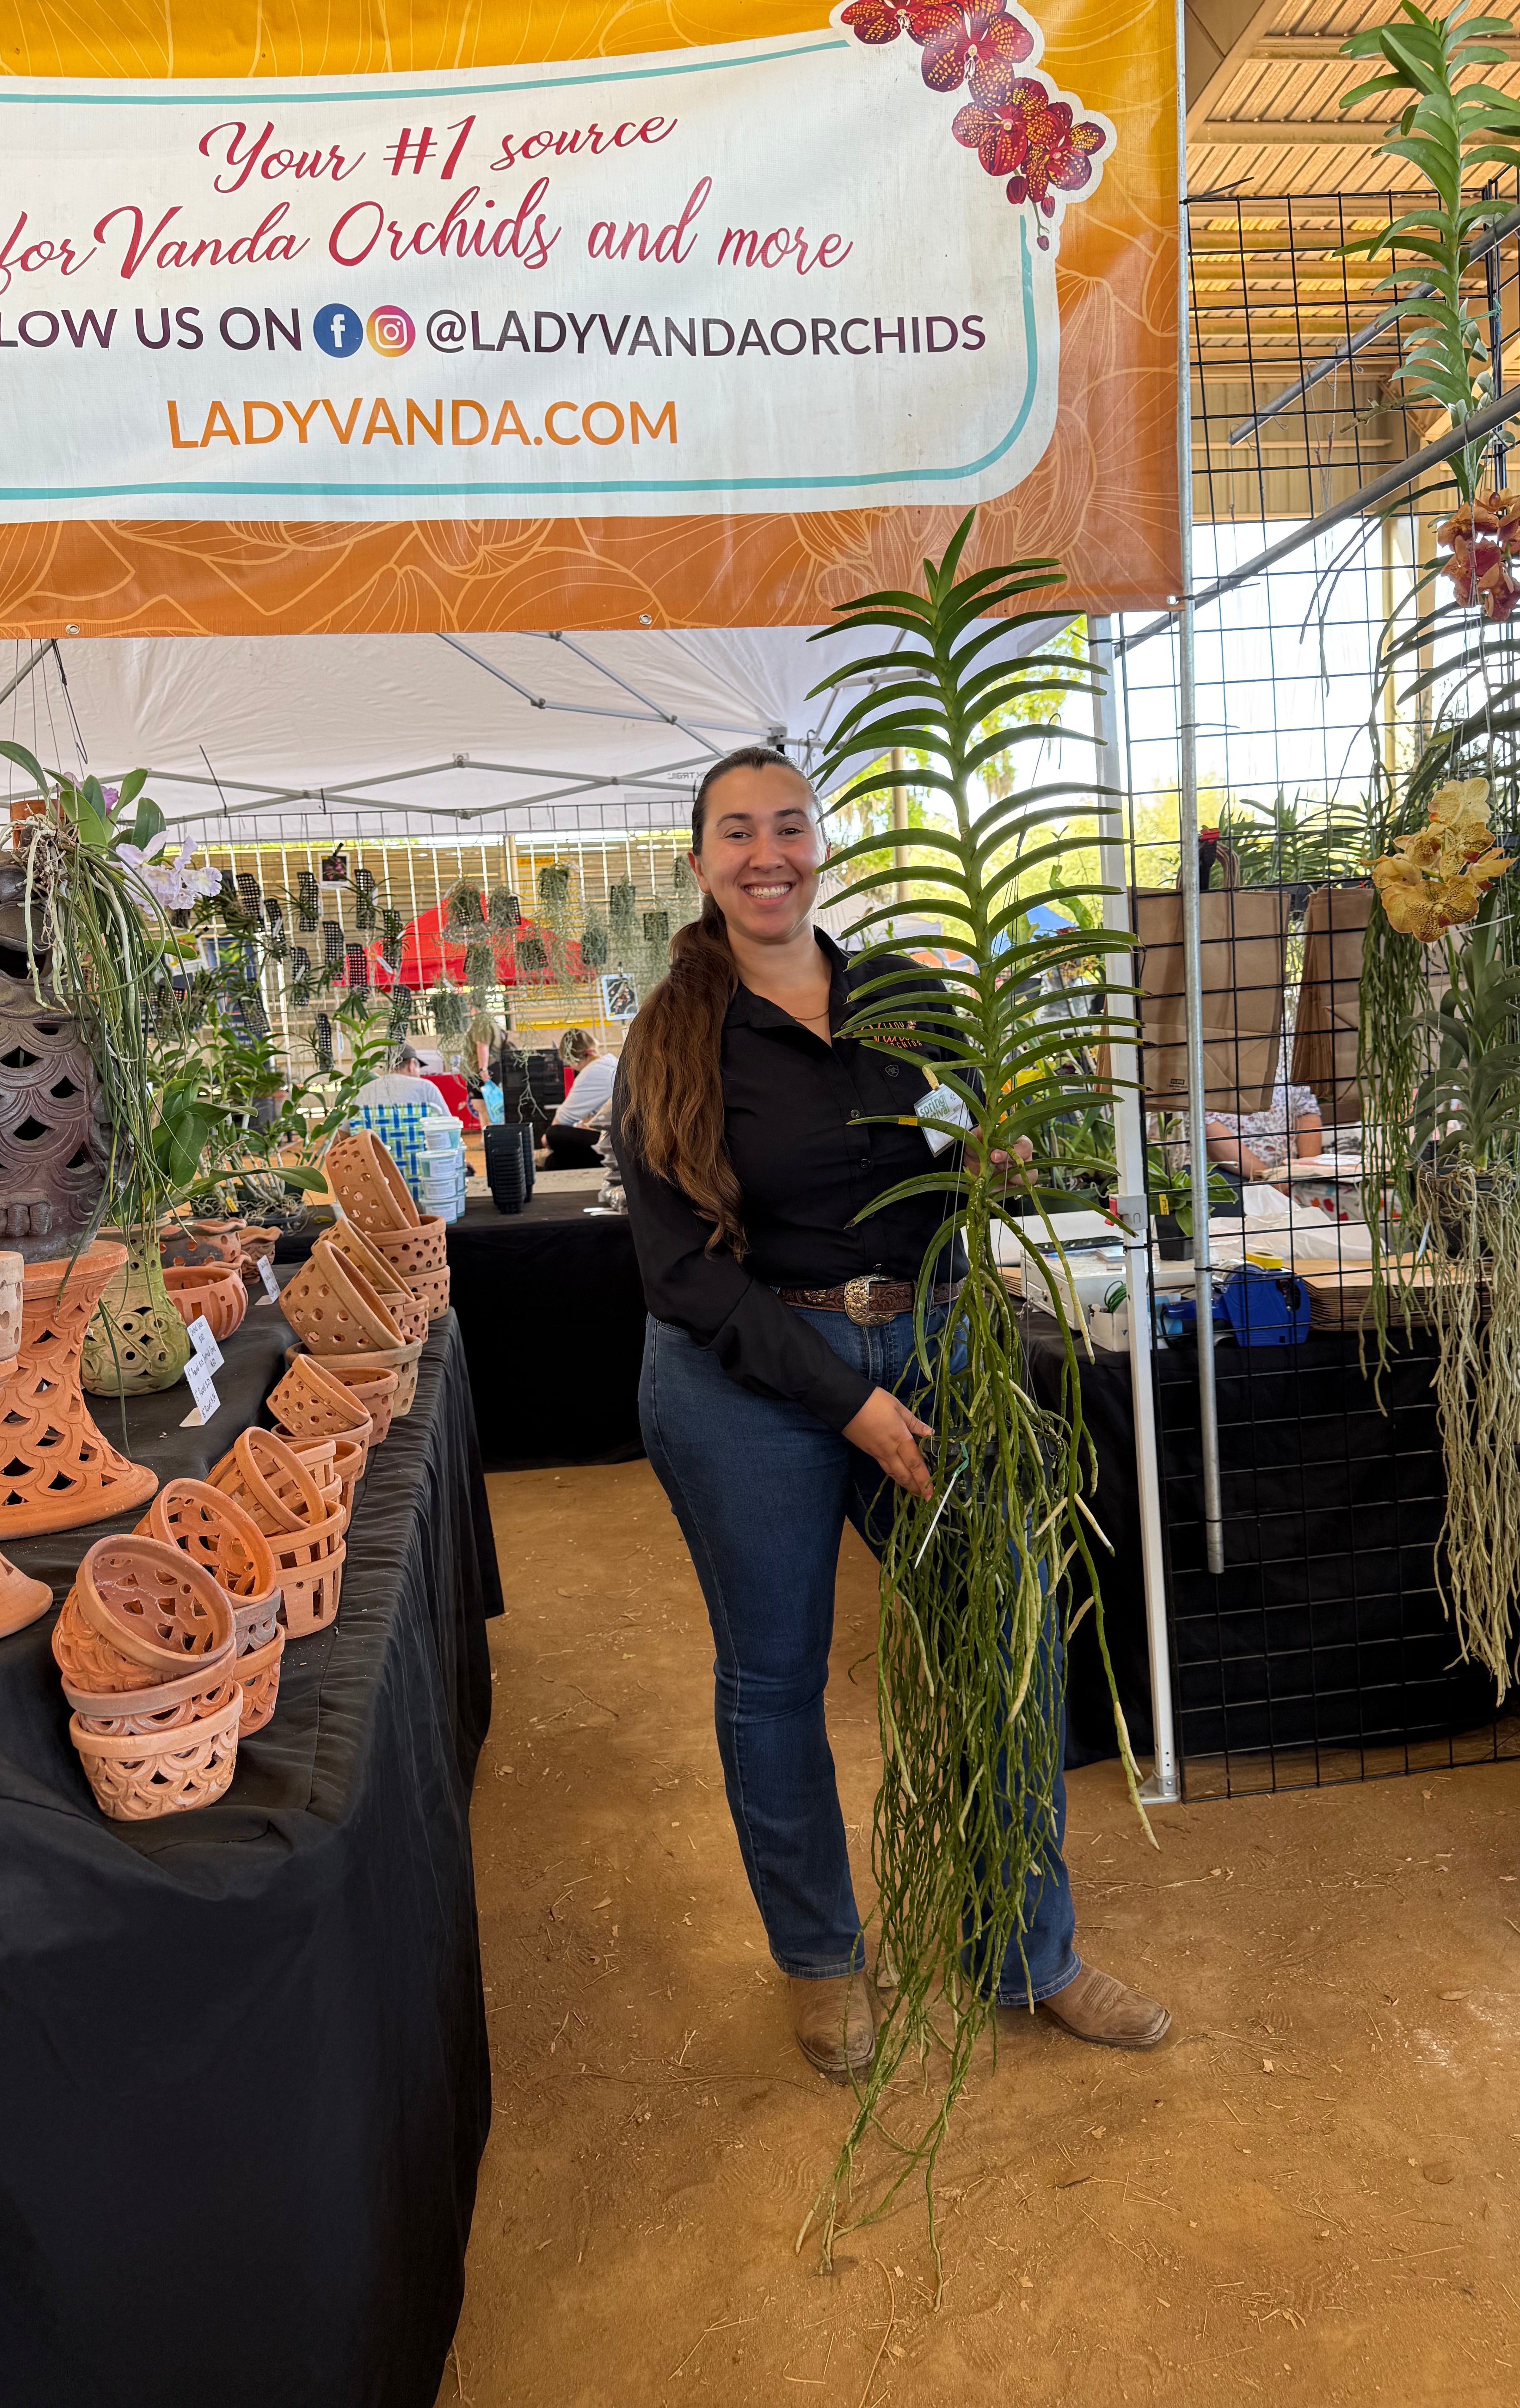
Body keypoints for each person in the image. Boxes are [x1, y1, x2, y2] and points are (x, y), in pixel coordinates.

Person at [611, 745, 1170, 2082]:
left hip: (923, 1341)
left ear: (822, 844)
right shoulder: (673, 1037)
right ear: (700, 862)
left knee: (1005, 1637)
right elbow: (679, 1270)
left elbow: (957, 1155)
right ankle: (819, 1956)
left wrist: (995, 1155)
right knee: (776, 1676)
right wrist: (849, 1399)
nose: (767, 853)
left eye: (789, 826)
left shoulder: (908, 999)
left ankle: (1027, 1950)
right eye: (736, 832)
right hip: (746, 1373)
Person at [1205, 1080, 1324, 1180]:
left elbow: (1307, 1110)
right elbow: (1207, 1125)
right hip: (1229, 1173)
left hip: (1291, 1173)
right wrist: (1273, 1181)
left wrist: (1306, 1173)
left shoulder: (1287, 1055)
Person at [541, 1028, 616, 1168]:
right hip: (626, 1140)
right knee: (554, 1162)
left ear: (572, 1059)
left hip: (617, 1146)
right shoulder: (610, 1061)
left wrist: (546, 1139)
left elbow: (562, 1120)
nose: (571, 1067)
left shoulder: (592, 1072)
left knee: (554, 1135)